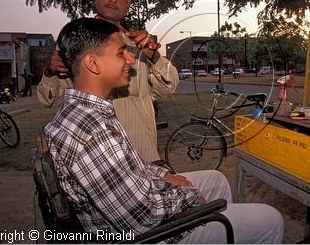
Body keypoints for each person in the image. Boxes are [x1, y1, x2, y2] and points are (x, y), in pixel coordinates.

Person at [45, 17, 284, 243]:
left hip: (137, 203)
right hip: (150, 235)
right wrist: (187, 196)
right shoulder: (91, 132)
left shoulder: (89, 111)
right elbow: (142, 216)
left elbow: (132, 168)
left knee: (217, 180)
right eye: (120, 53)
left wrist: (164, 177)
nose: (130, 59)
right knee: (271, 219)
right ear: (92, 63)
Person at [37, 0, 178, 162]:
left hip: (143, 153)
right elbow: (50, 100)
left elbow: (167, 89)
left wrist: (154, 57)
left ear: (128, 4)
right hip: (98, 159)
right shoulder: (77, 40)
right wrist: (50, 72)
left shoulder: (139, 44)